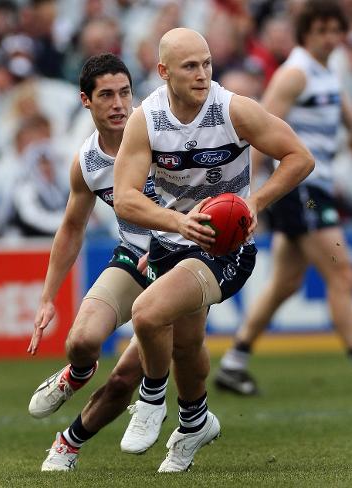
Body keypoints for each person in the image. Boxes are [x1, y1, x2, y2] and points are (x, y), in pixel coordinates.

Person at [113, 27, 314, 472]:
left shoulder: (234, 110)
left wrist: (254, 202)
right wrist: (177, 221)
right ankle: (194, 423)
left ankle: (150, 400)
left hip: (226, 247)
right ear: (164, 71)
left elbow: (300, 156)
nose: (203, 74)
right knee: (186, 346)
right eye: (190, 66)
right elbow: (125, 197)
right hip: (171, 241)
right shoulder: (146, 119)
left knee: (146, 313)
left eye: (206, 63)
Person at [27, 53, 160, 472]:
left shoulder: (162, 133)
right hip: (132, 256)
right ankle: (76, 374)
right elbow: (71, 227)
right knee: (80, 341)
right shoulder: (87, 160)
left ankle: (68, 443)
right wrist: (48, 298)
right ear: (86, 101)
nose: (119, 103)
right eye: (106, 95)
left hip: (182, 264)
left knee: (125, 377)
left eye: (125, 92)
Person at [215, 0, 352, 396]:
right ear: (306, 33)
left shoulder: (328, 73)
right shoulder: (294, 74)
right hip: (302, 191)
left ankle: (235, 362)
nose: (330, 38)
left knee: (286, 283)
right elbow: (262, 133)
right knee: (341, 269)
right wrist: (248, 193)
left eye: (335, 30)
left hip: (317, 187)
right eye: (321, 30)